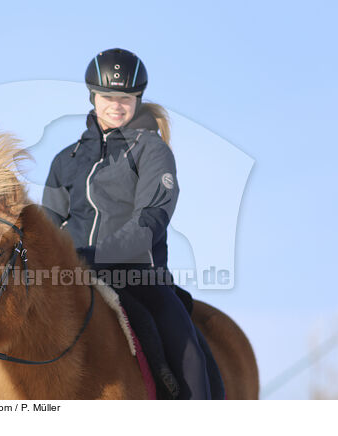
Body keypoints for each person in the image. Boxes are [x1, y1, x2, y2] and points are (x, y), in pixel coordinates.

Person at [42, 48, 222, 399]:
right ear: (93, 96)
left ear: (137, 98)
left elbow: (150, 219)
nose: (117, 105)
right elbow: (48, 225)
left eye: (126, 97)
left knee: (188, 356)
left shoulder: (152, 152)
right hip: (68, 280)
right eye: (109, 96)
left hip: (139, 278)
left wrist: (92, 257)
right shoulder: (66, 160)